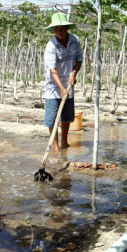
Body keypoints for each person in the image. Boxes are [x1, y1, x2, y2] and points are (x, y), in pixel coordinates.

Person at [43, 12, 83, 153]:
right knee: (53, 117)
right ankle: (55, 146)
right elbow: (52, 70)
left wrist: (73, 74)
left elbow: (79, 59)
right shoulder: (51, 46)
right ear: (53, 30)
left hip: (69, 83)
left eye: (62, 28)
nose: (60, 31)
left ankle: (64, 142)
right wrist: (61, 87)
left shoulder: (74, 40)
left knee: (66, 116)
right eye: (57, 28)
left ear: (67, 28)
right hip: (54, 86)